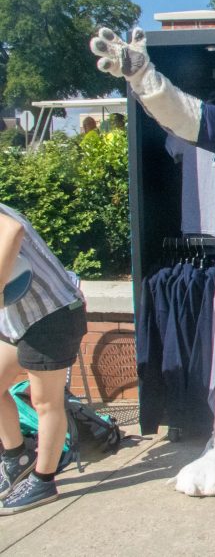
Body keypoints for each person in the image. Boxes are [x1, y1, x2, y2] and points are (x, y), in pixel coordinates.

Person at [0, 203, 86, 514]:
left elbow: (12, 231)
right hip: (19, 319)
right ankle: (16, 458)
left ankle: (43, 480)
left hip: (53, 314)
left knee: (45, 402)